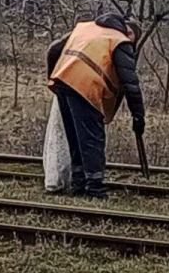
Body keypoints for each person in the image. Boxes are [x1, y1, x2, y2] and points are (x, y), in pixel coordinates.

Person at [46, 13, 145, 199]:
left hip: (62, 80)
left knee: (75, 139)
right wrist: (138, 116)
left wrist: (52, 76)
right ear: (130, 32)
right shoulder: (119, 40)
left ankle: (79, 184)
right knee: (92, 138)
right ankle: (95, 189)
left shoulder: (87, 27)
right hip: (85, 86)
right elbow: (131, 84)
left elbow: (53, 49)